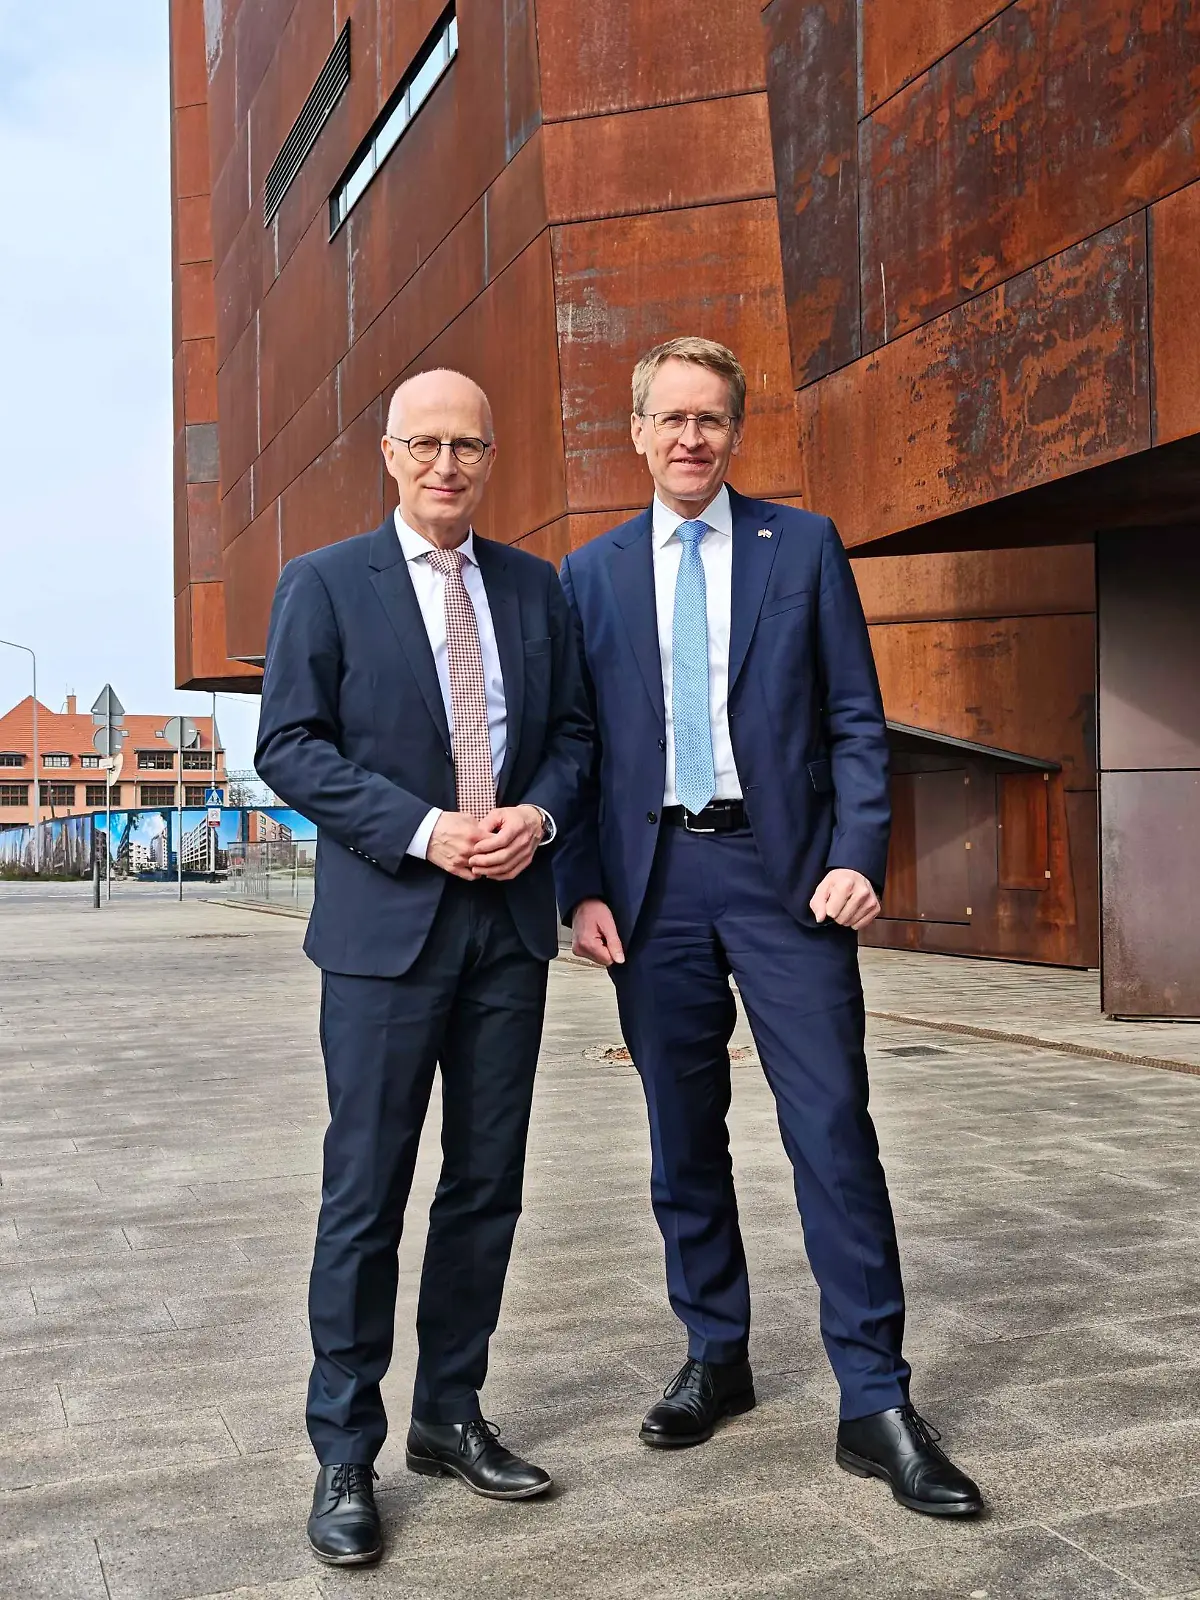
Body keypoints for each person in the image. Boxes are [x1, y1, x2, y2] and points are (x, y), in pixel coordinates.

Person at [553, 337, 982, 1518]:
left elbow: (855, 717)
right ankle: (716, 1353)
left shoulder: (802, 546)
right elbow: (576, 748)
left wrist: (856, 855)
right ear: (637, 432)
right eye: (671, 417)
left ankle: (875, 1399)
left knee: (833, 1127)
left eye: (711, 419)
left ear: (736, 433)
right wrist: (578, 887)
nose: (690, 437)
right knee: (682, 1135)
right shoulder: (588, 576)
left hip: (786, 880)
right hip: (651, 886)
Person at [256, 369, 591, 1566]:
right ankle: (345, 1448)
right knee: (367, 1192)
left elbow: (575, 738)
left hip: (509, 931)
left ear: (490, 457)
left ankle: (450, 1413)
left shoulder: (535, 588)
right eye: (427, 444)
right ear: (390, 455)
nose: (448, 464)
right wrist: (422, 827)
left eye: (469, 446)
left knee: (486, 1183)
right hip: (386, 933)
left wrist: (537, 819)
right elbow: (288, 744)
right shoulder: (324, 583)